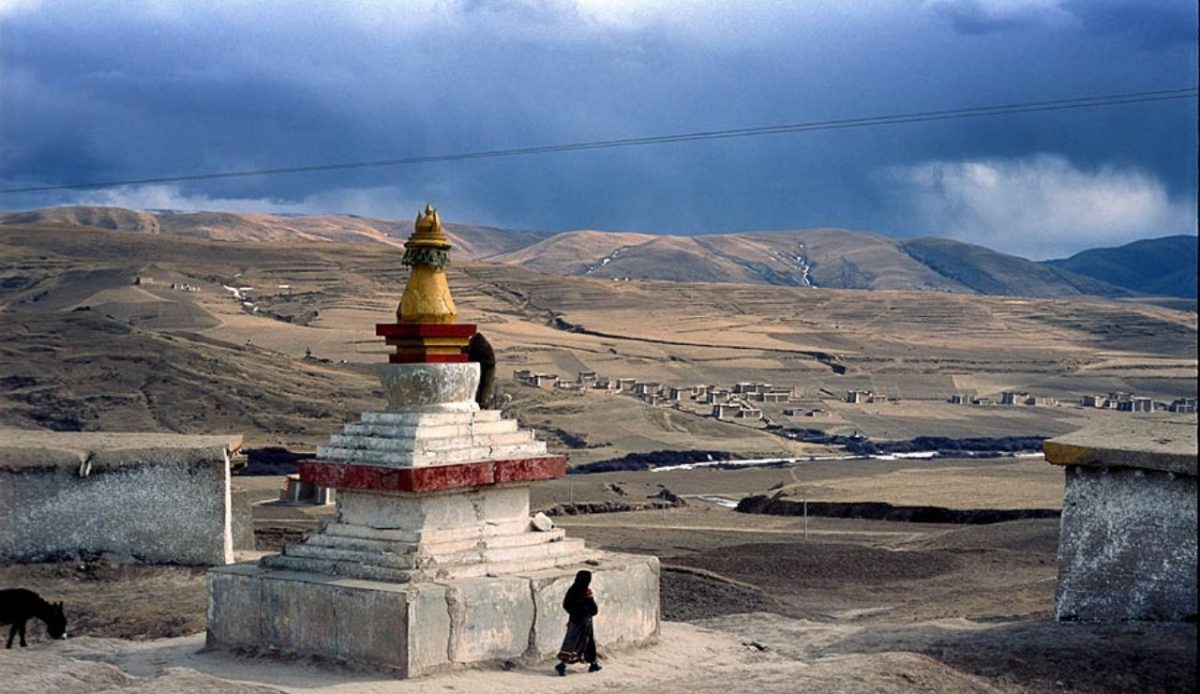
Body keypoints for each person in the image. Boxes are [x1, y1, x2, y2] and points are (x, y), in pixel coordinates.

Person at [555, 570, 601, 676]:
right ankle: (562, 665)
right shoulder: (581, 592)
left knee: (580, 643)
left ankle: (593, 664)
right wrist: (583, 612)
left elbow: (567, 605)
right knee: (577, 643)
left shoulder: (574, 591)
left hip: (579, 622)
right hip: (581, 622)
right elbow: (593, 609)